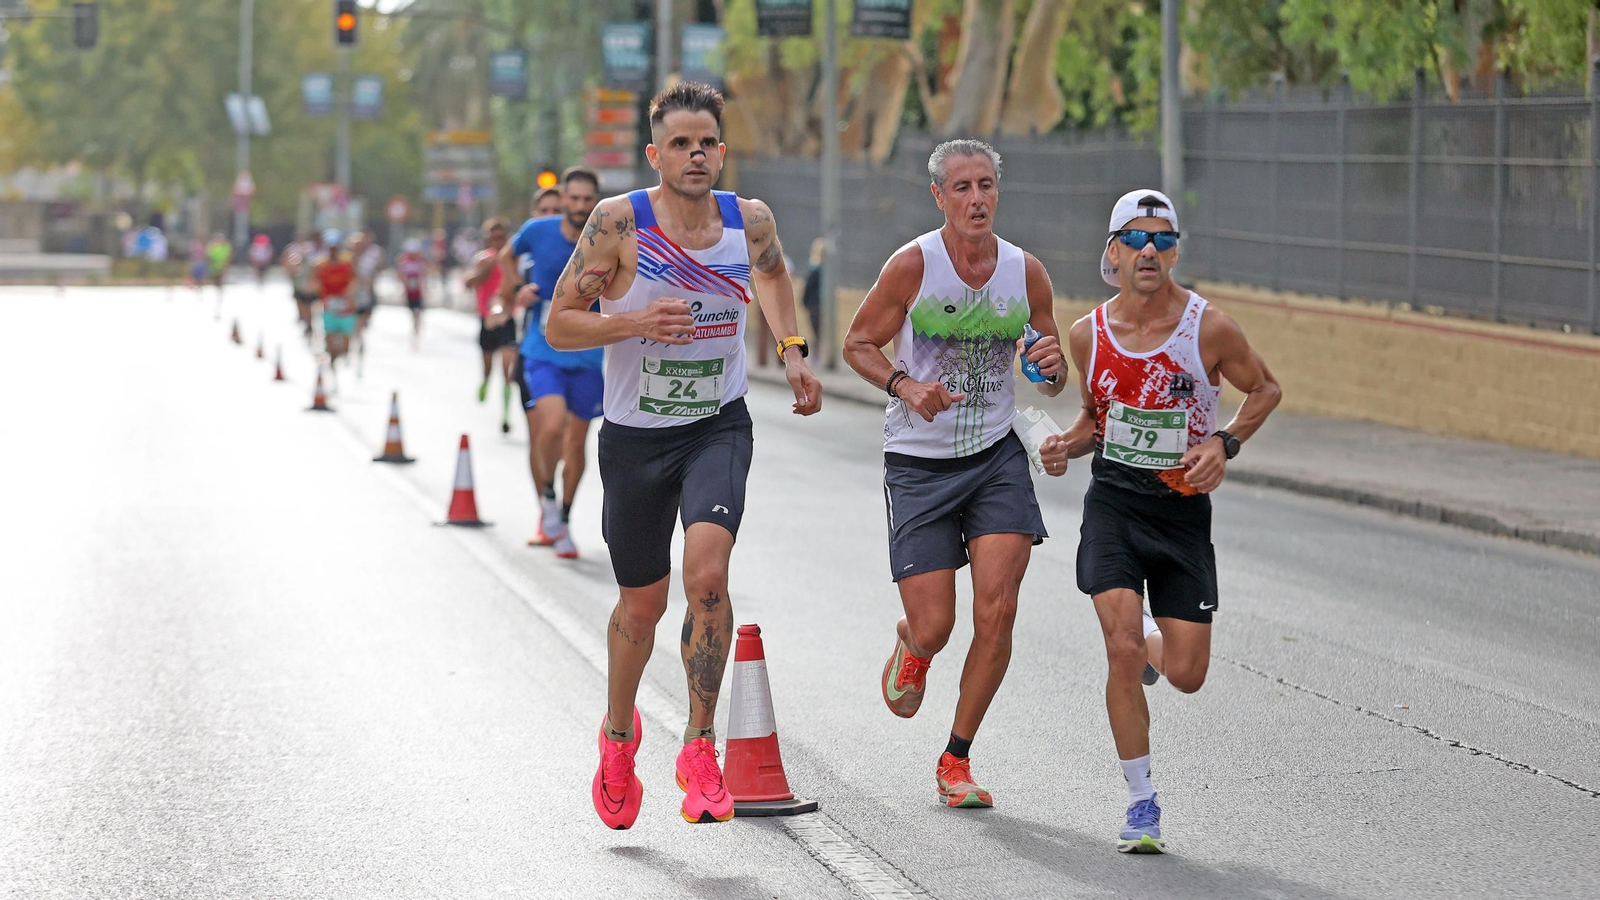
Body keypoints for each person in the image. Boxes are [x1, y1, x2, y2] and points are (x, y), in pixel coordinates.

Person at [544, 82, 822, 830]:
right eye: (680, 144)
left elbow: (772, 275)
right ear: (655, 155)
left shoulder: (749, 219)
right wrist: (633, 320)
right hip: (635, 438)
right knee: (641, 606)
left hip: (717, 426)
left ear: (722, 153)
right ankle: (617, 737)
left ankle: (700, 746)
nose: (695, 155)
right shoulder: (616, 225)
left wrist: (792, 351)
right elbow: (558, 325)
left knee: (707, 578)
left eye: (707, 143)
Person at [842, 139, 1069, 810]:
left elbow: (1048, 375)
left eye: (986, 186)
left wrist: (1052, 366)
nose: (977, 198)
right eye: (963, 187)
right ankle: (913, 644)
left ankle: (956, 759)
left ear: (998, 192)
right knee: (937, 626)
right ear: (939, 196)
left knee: (998, 610)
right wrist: (906, 386)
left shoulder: (1026, 273)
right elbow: (858, 343)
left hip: (996, 456)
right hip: (919, 462)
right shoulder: (914, 266)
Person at [1058, 189, 1281, 853]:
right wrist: (1062, 447)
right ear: (1113, 252)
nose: (1149, 250)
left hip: (1182, 516)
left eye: (1162, 238)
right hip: (1115, 507)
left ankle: (1154, 632)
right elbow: (1094, 424)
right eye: (1136, 237)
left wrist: (1225, 441)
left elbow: (1264, 388)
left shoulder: (1209, 328)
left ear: (1176, 250)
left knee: (1186, 672)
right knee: (1120, 650)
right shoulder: (1086, 335)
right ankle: (1142, 802)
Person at [501, 173, 603, 558]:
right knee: (551, 425)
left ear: (596, 200)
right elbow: (504, 256)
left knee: (576, 442)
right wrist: (515, 289)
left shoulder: (610, 234)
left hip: (590, 355)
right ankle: (546, 496)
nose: (579, 207)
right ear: (564, 199)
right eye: (573, 199)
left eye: (587, 199)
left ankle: (563, 515)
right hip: (542, 351)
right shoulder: (537, 230)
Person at [465, 218, 517, 432]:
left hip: (506, 319)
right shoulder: (482, 259)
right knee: (488, 367)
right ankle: (485, 381)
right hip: (487, 319)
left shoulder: (513, 259)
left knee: (508, 370)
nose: (497, 241)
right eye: (493, 237)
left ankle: (505, 416)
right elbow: (469, 282)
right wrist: (490, 265)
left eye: (501, 237)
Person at [315, 236, 358, 388]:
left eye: (335, 249)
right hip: (329, 306)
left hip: (345, 306)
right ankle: (331, 358)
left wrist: (348, 294)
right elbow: (315, 281)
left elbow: (354, 279)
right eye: (331, 249)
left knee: (347, 338)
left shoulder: (347, 263)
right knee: (329, 335)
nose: (333, 252)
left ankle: (344, 354)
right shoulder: (321, 264)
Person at [284, 232, 327, 342]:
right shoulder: (306, 249)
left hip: (318, 284)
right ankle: (307, 322)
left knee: (316, 305)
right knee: (304, 304)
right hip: (304, 283)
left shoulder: (325, 250)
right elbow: (293, 262)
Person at [396, 238, 430, 351]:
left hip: (419, 292)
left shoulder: (421, 261)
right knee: (412, 313)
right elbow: (401, 275)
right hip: (409, 292)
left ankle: (417, 330)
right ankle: (415, 328)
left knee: (417, 312)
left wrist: (425, 288)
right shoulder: (403, 261)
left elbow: (425, 274)